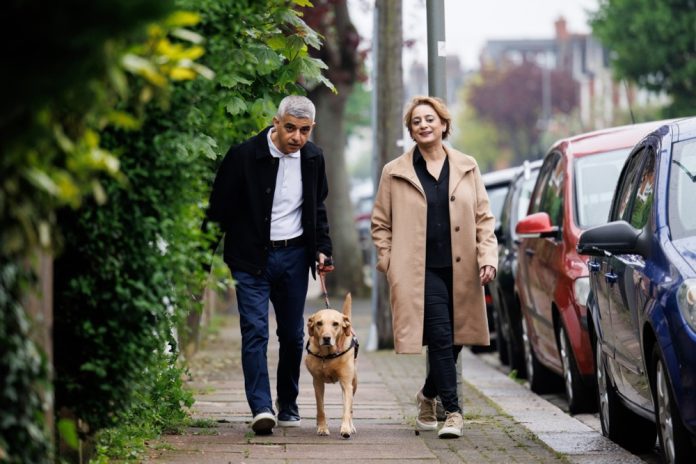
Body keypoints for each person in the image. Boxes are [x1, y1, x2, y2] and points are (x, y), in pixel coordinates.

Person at [206, 95, 334, 435]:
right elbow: (217, 212)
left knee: (293, 336)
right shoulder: (244, 156)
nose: (297, 137)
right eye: (290, 128)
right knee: (255, 332)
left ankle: (288, 403)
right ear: (276, 122)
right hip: (250, 257)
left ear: (312, 129)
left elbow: (317, 208)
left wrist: (323, 250)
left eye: (304, 131)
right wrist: (200, 261)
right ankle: (261, 407)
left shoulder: (313, 158)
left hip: (294, 257)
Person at [371, 96, 497, 439]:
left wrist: (487, 258)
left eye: (430, 119)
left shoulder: (467, 166)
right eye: (416, 122)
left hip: (462, 269)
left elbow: (484, 219)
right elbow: (380, 224)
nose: (424, 125)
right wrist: (389, 261)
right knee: (441, 336)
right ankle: (453, 412)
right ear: (411, 131)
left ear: (443, 124)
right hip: (419, 269)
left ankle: (427, 395)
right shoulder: (395, 171)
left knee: (455, 339)